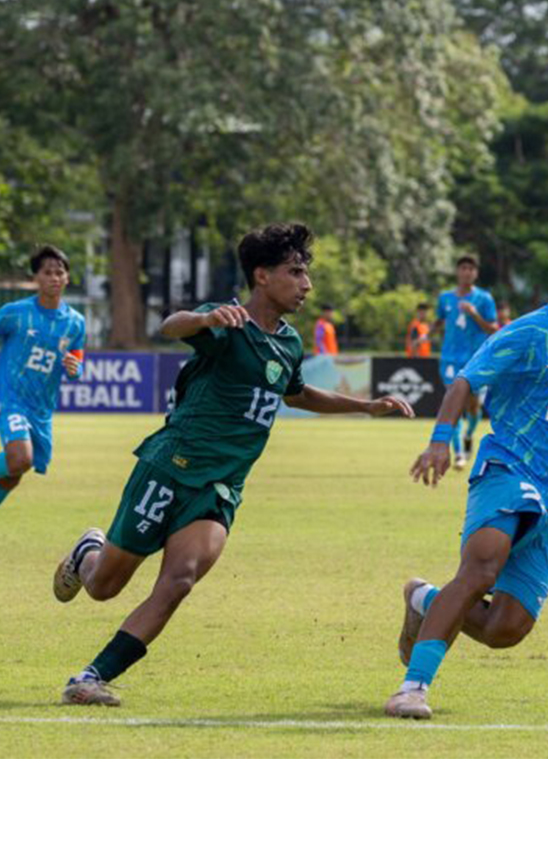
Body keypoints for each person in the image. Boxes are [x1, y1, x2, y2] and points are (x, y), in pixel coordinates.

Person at [51, 222, 413, 707]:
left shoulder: (288, 343)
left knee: (180, 579)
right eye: (296, 272)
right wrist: (206, 322)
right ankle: (87, 553)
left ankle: (91, 676)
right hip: (169, 466)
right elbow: (171, 326)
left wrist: (364, 406)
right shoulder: (229, 322)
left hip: (220, 487)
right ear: (261, 276)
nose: (306, 285)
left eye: (306, 274)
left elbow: (298, 393)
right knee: (102, 587)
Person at [384, 213, 548, 720]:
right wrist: (440, 441)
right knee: (481, 566)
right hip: (510, 466)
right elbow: (465, 381)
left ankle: (424, 601)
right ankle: (413, 687)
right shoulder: (530, 333)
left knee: (505, 629)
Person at [0, 245, 86, 555]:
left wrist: (75, 368)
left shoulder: (75, 322)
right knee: (18, 459)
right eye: (47, 272)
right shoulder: (17, 313)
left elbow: (76, 360)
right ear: (35, 277)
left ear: (68, 278)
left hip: (42, 409)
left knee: (15, 473)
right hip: (11, 399)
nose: (54, 277)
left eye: (59, 271)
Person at [433, 255, 497, 468]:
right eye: (463, 268)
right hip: (450, 359)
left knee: (472, 407)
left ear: (476, 273)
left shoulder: (484, 299)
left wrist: (474, 314)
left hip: (476, 359)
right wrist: (424, 337)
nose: (467, 272)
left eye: (471, 268)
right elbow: (440, 320)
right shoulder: (445, 298)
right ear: (457, 271)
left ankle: (469, 434)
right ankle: (459, 453)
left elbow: (493, 329)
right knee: (454, 403)